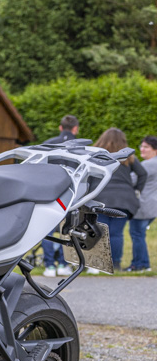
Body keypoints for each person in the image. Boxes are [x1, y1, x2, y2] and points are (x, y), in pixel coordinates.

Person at [92, 128, 147, 272]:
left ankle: (100, 264)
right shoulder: (129, 157)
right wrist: (136, 189)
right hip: (124, 199)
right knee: (116, 233)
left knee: (101, 233)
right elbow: (143, 174)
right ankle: (115, 264)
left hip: (101, 198)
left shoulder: (96, 155)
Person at [41, 114, 81, 275]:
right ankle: (64, 264)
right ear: (75, 129)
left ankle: (49, 266)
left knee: (47, 231)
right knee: (68, 230)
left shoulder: (48, 144)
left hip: (49, 193)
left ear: (60, 127)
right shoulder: (81, 147)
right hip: (71, 194)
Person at [128, 135, 157, 272]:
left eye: (146, 147)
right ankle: (144, 264)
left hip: (143, 206)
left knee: (137, 235)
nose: (142, 149)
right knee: (139, 235)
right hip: (152, 206)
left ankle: (139, 265)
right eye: (141, 146)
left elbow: (130, 180)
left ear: (155, 150)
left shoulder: (147, 165)